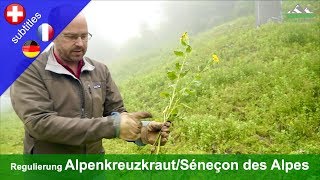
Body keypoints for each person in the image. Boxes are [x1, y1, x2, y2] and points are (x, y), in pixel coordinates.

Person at [10, 12, 170, 154]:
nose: (80, 43)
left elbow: (116, 113)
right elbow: (39, 123)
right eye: (71, 37)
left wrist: (141, 131)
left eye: (84, 36)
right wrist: (111, 126)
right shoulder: (29, 70)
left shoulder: (100, 70)